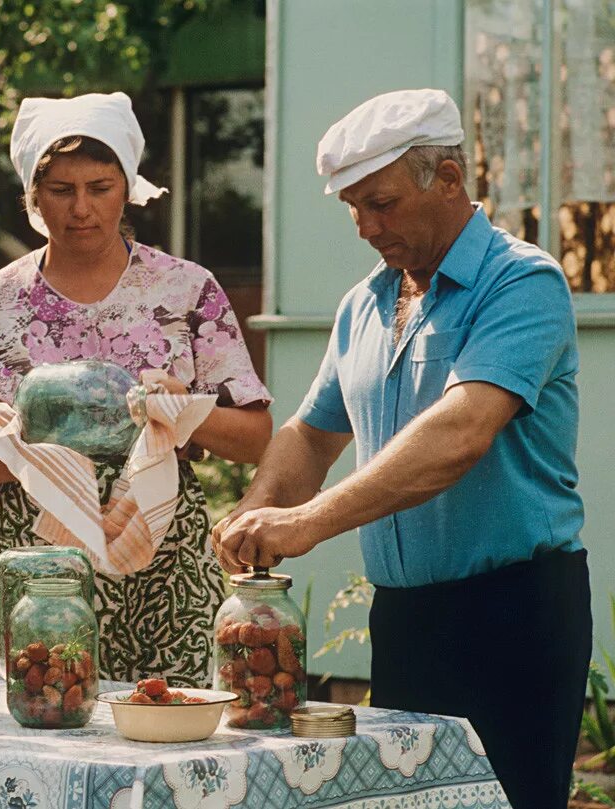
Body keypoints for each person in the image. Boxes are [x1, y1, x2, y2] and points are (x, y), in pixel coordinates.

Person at [211, 89, 589, 808]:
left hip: (513, 612)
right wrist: (257, 507)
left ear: (448, 179)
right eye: (351, 205)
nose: (364, 225)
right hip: (407, 619)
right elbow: (311, 432)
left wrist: (305, 523)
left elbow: (461, 432)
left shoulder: (522, 282)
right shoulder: (365, 303)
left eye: (379, 203)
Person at [0, 92, 273, 687]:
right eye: (60, 189)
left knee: (169, 725)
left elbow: (255, 436)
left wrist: (180, 412)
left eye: (100, 187)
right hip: (35, 559)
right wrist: (25, 464)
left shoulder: (185, 291)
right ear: (32, 193)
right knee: (42, 708)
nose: (81, 208)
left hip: (163, 556)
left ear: (128, 187)